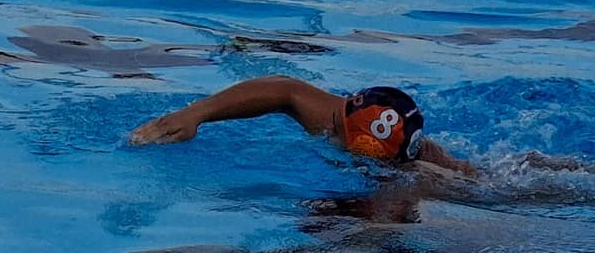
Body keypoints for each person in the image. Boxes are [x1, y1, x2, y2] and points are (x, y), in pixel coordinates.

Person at [130, 75, 477, 175]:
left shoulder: (413, 178)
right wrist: (194, 114)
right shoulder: (336, 117)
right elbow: (285, 90)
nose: (332, 131)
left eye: (339, 134)